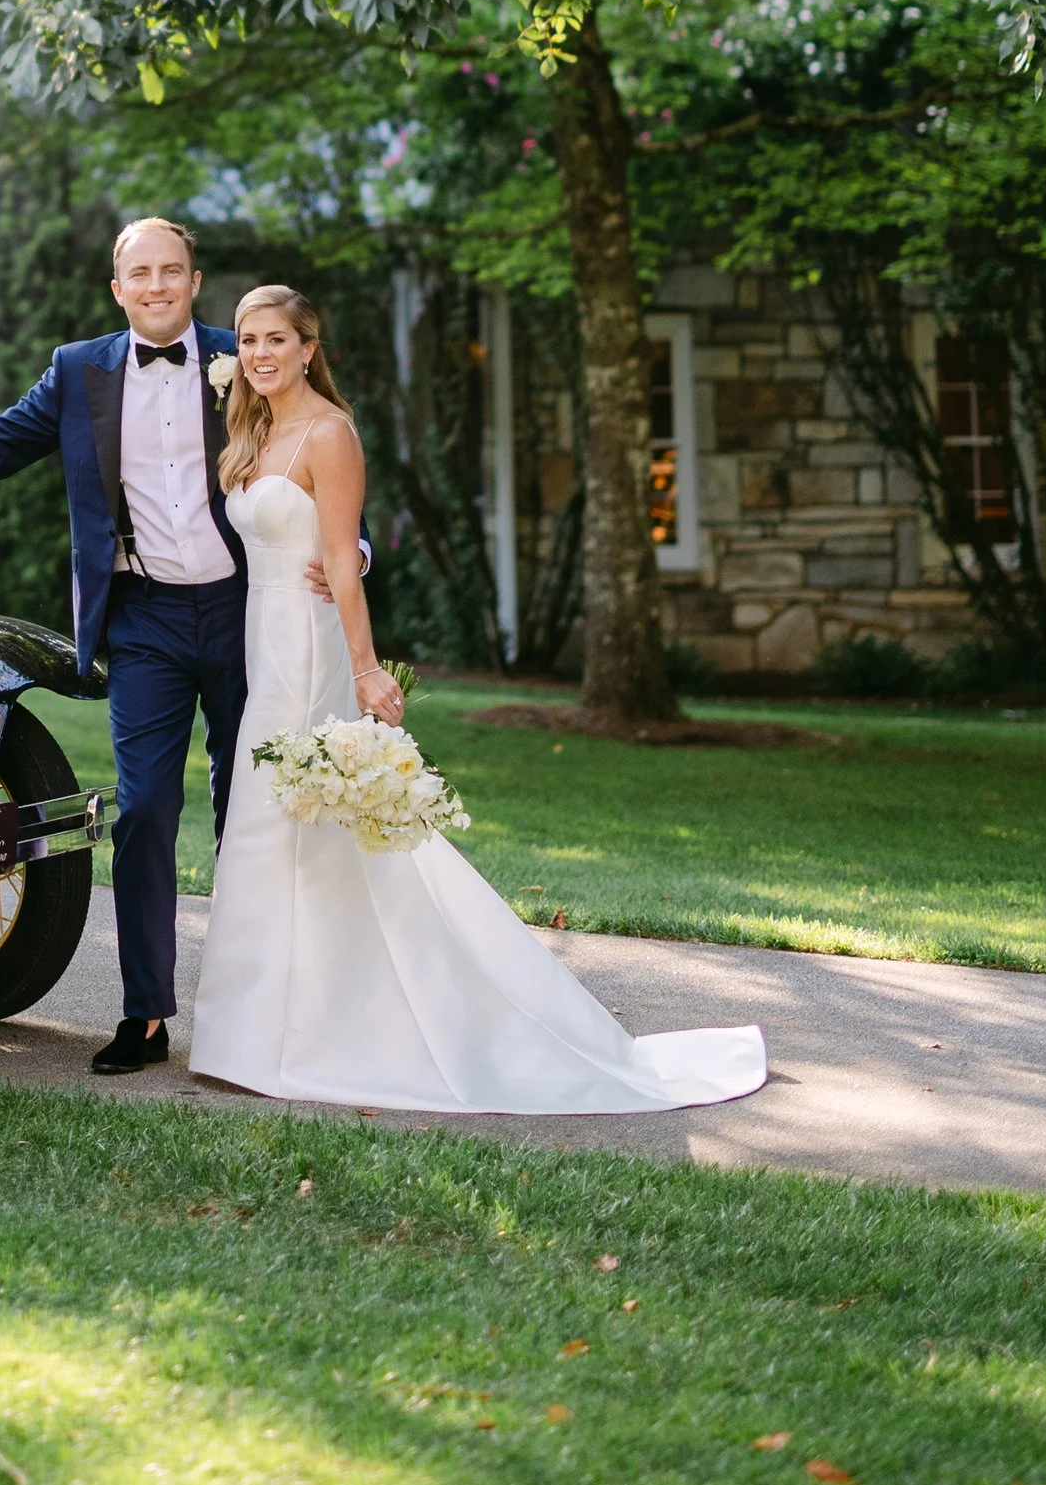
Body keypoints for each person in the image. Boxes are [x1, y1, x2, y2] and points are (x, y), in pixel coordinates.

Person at [0, 215, 377, 1075]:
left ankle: (274, 1002)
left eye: (171, 272)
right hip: (142, 618)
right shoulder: (79, 373)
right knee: (144, 809)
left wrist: (353, 552)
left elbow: (320, 449)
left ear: (193, 281)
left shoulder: (248, 357)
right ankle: (146, 1014)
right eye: (139, 274)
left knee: (254, 805)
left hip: (247, 611)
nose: (156, 286)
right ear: (118, 290)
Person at [188, 283, 767, 1113]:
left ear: (310, 347)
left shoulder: (330, 433)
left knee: (318, 826)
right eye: (248, 341)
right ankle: (248, 1035)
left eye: (277, 339)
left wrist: (363, 670)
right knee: (260, 826)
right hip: (262, 646)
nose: (261, 354)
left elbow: (344, 564)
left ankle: (329, 1032)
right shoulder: (253, 431)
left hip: (311, 651)